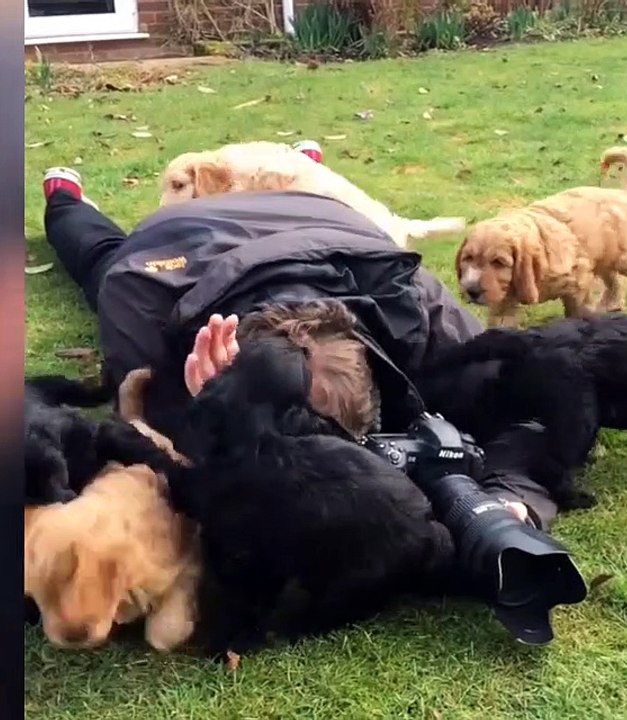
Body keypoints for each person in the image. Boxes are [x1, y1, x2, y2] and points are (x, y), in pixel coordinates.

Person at [39, 153, 559, 530]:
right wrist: (200, 413)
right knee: (100, 258)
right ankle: (65, 199)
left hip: (321, 219)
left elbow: (537, 401)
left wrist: (511, 502)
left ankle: (301, 162)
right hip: (180, 242)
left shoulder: (418, 304)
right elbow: (138, 427)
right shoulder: (141, 293)